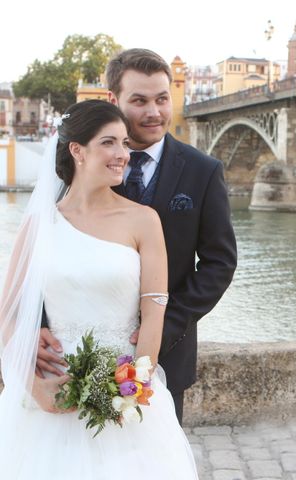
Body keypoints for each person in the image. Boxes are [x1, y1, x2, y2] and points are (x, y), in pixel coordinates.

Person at [37, 49, 238, 424]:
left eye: (163, 99)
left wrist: (160, 329)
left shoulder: (203, 171)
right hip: (66, 355)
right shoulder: (70, 171)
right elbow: (43, 258)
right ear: (114, 100)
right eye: (140, 100)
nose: (154, 112)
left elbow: (220, 263)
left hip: (164, 356)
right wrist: (37, 327)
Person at [0, 100, 199, 478]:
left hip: (126, 389)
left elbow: (155, 310)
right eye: (109, 143)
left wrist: (135, 385)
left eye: (125, 143)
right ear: (77, 150)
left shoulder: (143, 221)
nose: (123, 154)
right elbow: (7, 312)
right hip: (54, 386)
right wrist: (34, 387)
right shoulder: (40, 224)